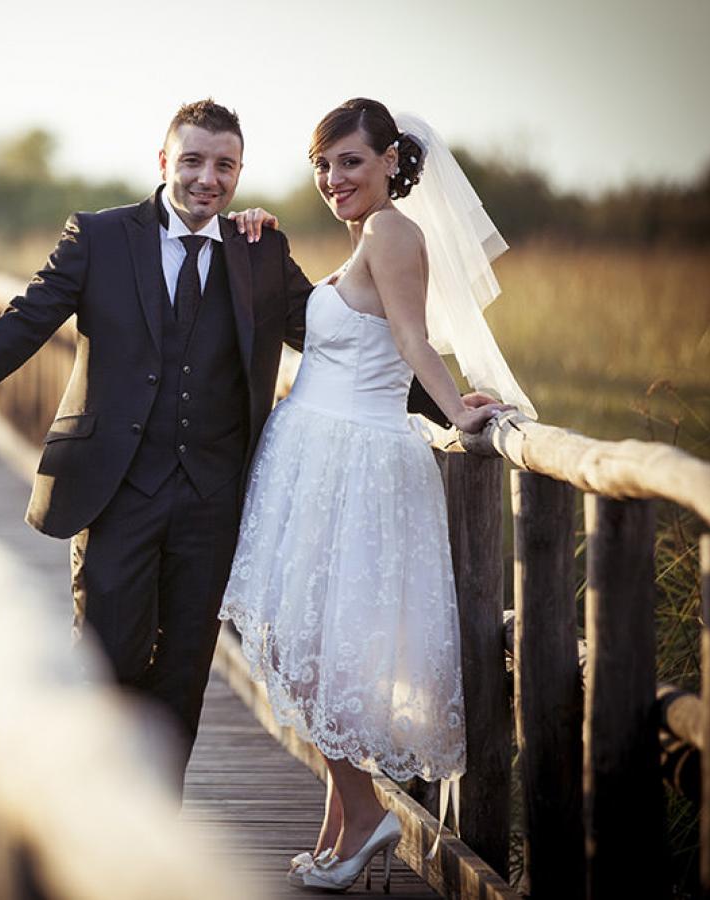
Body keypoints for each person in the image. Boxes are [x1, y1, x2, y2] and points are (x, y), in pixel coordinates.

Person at [0, 99, 448, 794]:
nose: (207, 178)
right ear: (163, 162)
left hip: (214, 503)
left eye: (224, 165)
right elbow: (22, 326)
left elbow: (350, 349)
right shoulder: (101, 238)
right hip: (116, 492)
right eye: (192, 161)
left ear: (239, 173)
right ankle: (93, 819)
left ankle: (156, 832)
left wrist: (455, 408)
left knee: (180, 686)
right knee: (104, 668)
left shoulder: (259, 250)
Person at [218, 97, 524, 892]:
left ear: (392, 159)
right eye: (323, 165)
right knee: (307, 643)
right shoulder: (365, 236)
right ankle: (338, 827)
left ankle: (365, 813)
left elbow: (413, 338)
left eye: (350, 161)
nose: (333, 178)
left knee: (314, 653)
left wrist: (459, 410)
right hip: (319, 453)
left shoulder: (392, 232)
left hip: (352, 462)